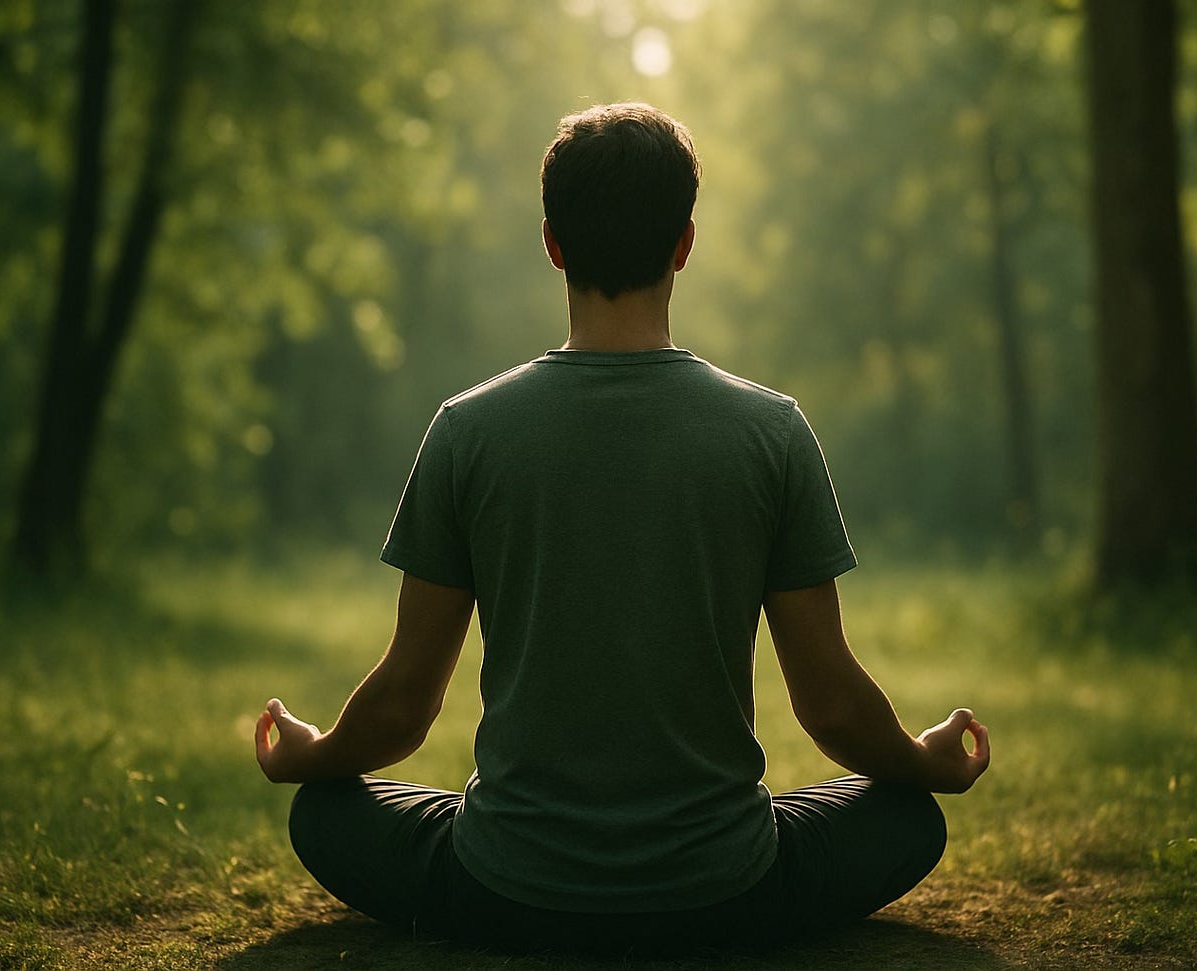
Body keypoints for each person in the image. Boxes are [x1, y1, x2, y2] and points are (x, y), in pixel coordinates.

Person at [254, 102, 990, 954]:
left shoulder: (467, 430)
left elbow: (403, 707)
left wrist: (313, 755)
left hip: (508, 890)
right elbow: (830, 704)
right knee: (907, 817)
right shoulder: (772, 431)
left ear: (551, 243)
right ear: (684, 244)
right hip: (724, 891)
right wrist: (924, 761)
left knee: (328, 813)